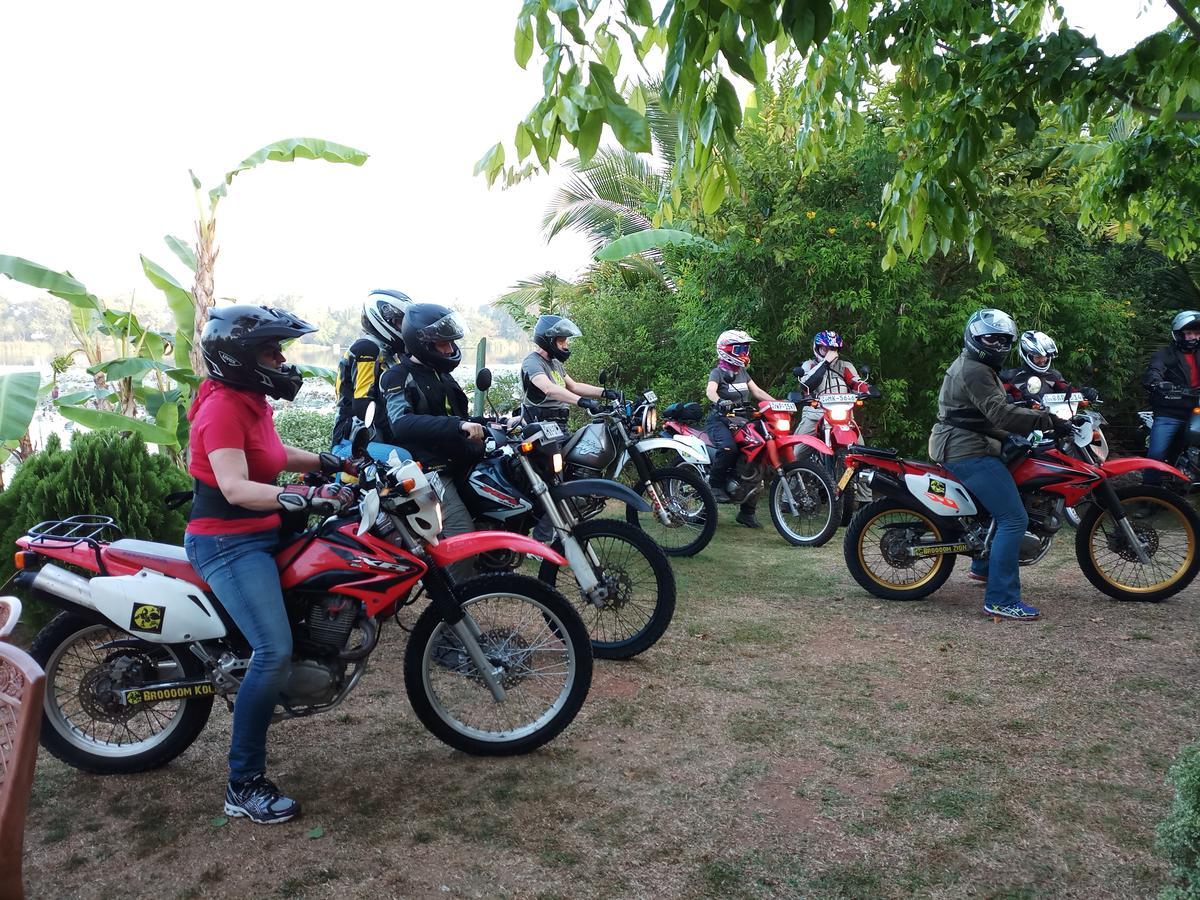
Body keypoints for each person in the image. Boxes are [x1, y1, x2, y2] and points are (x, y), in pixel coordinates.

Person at [185, 305, 357, 824]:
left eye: (281, 351)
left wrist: (333, 463)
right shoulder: (221, 409)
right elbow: (236, 487)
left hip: (262, 535)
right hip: (228, 544)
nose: (283, 361)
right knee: (272, 649)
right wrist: (305, 499)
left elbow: (272, 455)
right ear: (237, 357)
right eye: (271, 351)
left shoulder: (250, 399)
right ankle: (243, 783)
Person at [928, 309, 1058, 621]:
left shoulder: (980, 366)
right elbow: (999, 414)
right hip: (966, 450)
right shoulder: (975, 369)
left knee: (1001, 507)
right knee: (1014, 518)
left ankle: (983, 567)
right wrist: (1049, 420)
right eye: (991, 338)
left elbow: (992, 409)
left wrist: (1032, 410)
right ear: (974, 337)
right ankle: (1001, 599)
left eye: (1003, 340)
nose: (997, 344)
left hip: (972, 443)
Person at [378, 303, 484, 580]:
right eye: (442, 344)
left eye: (451, 343)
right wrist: (458, 425)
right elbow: (400, 422)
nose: (450, 350)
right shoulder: (397, 376)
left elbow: (456, 417)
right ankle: (451, 616)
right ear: (421, 342)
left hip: (459, 460)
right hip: (428, 470)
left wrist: (496, 423)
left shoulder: (442, 375)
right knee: (463, 538)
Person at [705, 329, 778, 528]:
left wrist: (778, 403)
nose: (745, 352)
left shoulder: (742, 372)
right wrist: (720, 401)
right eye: (740, 348)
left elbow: (756, 391)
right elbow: (710, 391)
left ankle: (747, 513)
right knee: (729, 449)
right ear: (726, 350)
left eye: (745, 348)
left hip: (741, 420)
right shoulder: (718, 372)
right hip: (719, 420)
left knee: (757, 454)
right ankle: (715, 485)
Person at [330, 290, 411, 455]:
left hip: (373, 437)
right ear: (383, 320)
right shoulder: (368, 349)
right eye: (399, 322)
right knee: (405, 457)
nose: (404, 329)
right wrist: (403, 424)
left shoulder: (389, 353)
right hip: (352, 441)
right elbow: (363, 405)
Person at [519, 314, 617, 424]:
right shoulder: (532, 362)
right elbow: (549, 388)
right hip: (539, 424)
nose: (565, 346)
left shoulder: (555, 363)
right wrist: (581, 401)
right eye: (561, 341)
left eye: (565, 341)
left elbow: (574, 386)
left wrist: (605, 392)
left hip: (558, 423)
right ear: (548, 340)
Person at [1141, 311, 1200, 485]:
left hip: (1197, 409)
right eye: (1189, 333)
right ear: (1179, 334)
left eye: (1197, 333)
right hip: (1170, 412)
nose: (1193, 337)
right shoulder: (1165, 354)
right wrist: (1157, 382)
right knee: (1156, 455)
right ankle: (1149, 499)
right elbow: (1154, 370)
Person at [795, 330, 870, 436]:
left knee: (859, 448)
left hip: (844, 415)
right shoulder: (809, 365)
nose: (830, 353)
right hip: (816, 414)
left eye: (833, 349)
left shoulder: (845, 366)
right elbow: (806, 385)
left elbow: (856, 382)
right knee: (798, 451)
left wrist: (867, 390)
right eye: (825, 349)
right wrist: (825, 362)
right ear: (817, 348)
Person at [1000, 330, 1099, 403]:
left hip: (1051, 422)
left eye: (1046, 356)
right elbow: (994, 397)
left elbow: (1068, 391)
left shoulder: (1053, 376)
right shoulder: (1011, 377)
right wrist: (1009, 399)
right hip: (1022, 425)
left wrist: (1084, 392)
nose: (1043, 360)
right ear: (1027, 355)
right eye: (1038, 357)